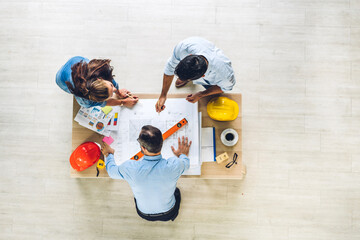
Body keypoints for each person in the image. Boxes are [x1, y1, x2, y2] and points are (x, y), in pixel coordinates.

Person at [101, 125, 192, 221]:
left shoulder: (130, 168)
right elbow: (186, 163)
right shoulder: (175, 165)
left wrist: (109, 154)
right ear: (162, 143)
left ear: (143, 148)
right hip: (169, 213)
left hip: (143, 213)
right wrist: (182, 155)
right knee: (176, 192)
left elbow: (111, 172)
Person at [155, 37, 236, 112]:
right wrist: (163, 95)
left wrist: (201, 94)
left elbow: (225, 88)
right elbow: (170, 68)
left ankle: (187, 77)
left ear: (202, 76)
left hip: (215, 77)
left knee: (217, 94)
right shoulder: (184, 47)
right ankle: (185, 76)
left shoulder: (225, 76)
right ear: (189, 55)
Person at [56, 56, 138, 108]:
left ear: (100, 79)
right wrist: (123, 102)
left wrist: (118, 92)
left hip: (77, 61)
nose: (114, 89)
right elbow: (104, 103)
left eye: (111, 86)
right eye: (111, 95)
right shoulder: (85, 102)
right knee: (73, 90)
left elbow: (110, 81)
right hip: (62, 79)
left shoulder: (100, 72)